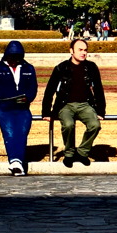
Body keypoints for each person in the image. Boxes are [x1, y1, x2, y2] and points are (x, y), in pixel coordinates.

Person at [41, 38, 106, 167]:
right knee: (69, 125)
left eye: (85, 50)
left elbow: (98, 89)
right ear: (71, 51)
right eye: (80, 50)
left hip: (85, 104)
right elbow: (50, 90)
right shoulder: (61, 68)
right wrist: (46, 112)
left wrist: (100, 111)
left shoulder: (91, 67)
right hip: (65, 105)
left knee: (95, 125)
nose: (83, 53)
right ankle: (69, 153)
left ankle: (82, 153)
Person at [0, 41, 38, 176]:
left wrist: (28, 98)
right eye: (11, 57)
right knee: (9, 133)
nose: (14, 61)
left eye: (17, 57)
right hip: (5, 108)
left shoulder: (28, 68)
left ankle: (17, 161)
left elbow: (33, 88)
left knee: (21, 133)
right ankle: (15, 162)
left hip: (23, 108)